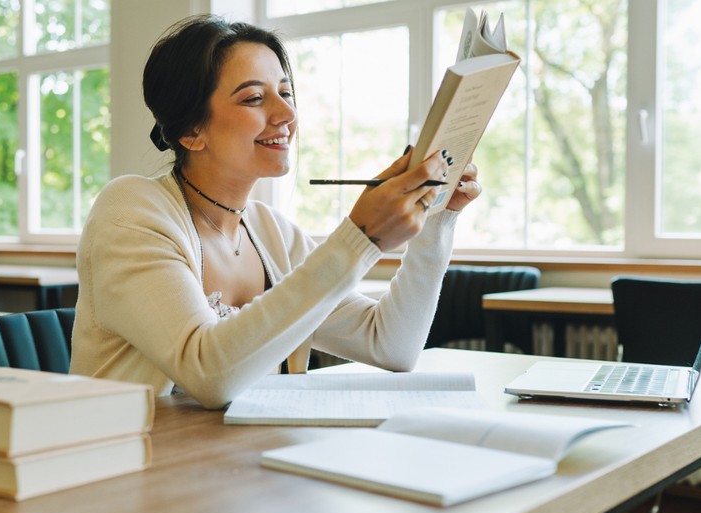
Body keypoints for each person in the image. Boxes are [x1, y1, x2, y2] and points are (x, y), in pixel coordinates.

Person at [70, 14, 482, 409]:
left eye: (286, 93)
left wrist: (435, 217)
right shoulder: (131, 211)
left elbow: (391, 345)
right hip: (131, 469)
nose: (286, 115)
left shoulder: (272, 232)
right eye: (254, 98)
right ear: (191, 131)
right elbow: (208, 373)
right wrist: (360, 237)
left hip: (244, 467)